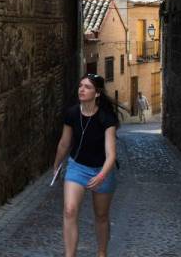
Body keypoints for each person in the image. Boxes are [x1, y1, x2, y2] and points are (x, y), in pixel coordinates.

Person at [53, 73, 119, 257]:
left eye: (87, 87)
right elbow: (64, 143)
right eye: (80, 86)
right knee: (69, 210)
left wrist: (101, 176)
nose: (82, 89)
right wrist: (57, 165)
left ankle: (101, 252)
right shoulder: (72, 113)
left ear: (97, 93)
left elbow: (111, 155)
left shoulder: (106, 118)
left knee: (101, 216)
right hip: (77, 167)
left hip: (101, 170)